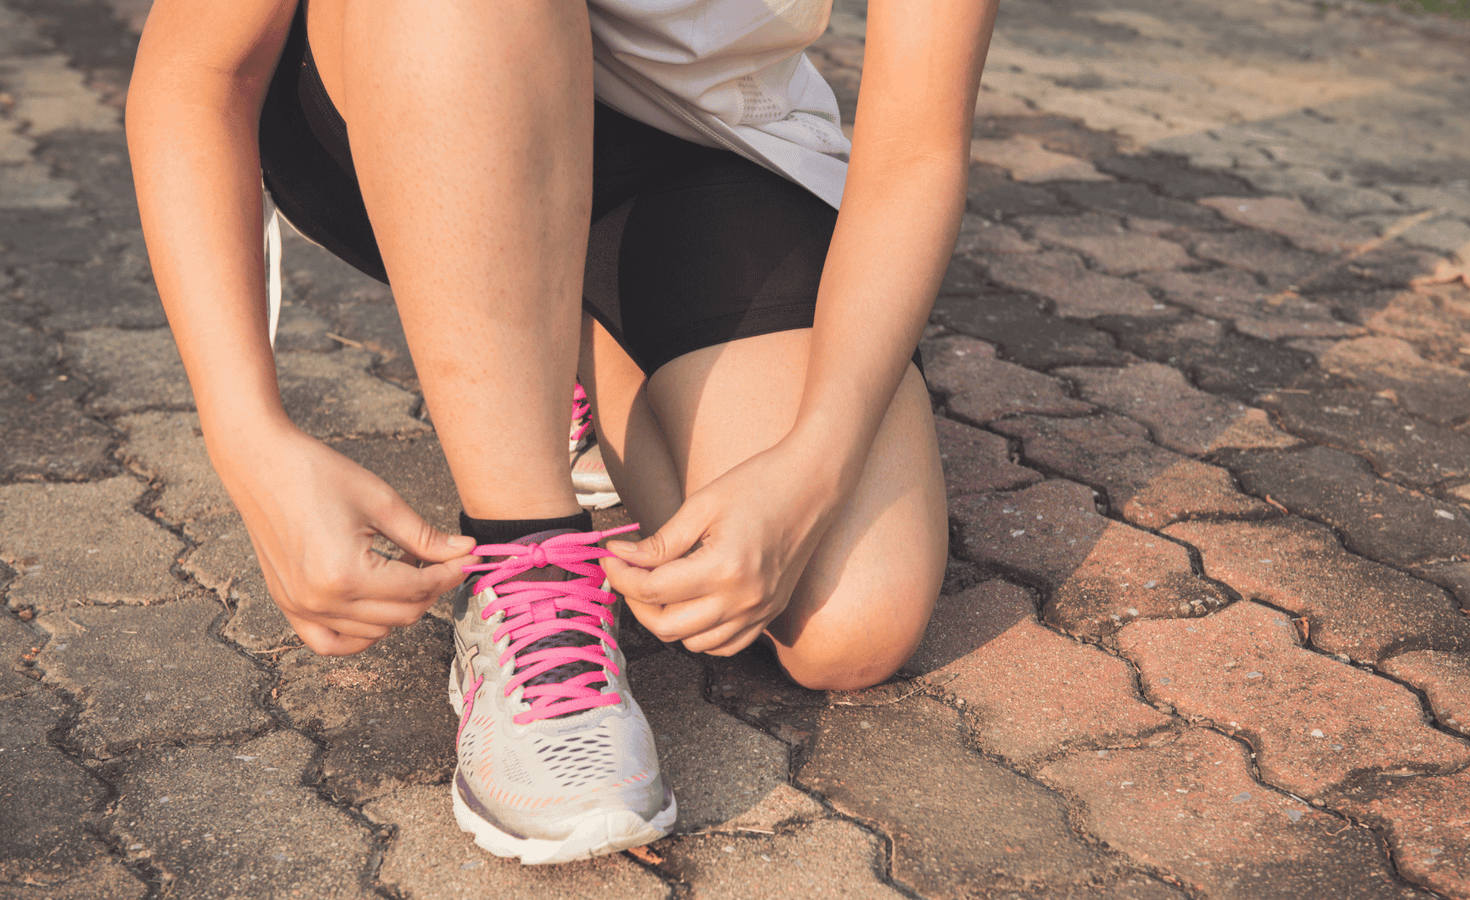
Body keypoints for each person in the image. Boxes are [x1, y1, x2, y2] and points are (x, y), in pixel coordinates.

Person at [126, 0, 997, 865]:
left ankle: (539, 339)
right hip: (416, 71)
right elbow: (196, 74)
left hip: (704, 137)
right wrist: (248, 436)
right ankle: (523, 555)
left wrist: (814, 464)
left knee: (849, 621)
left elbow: (917, 149)